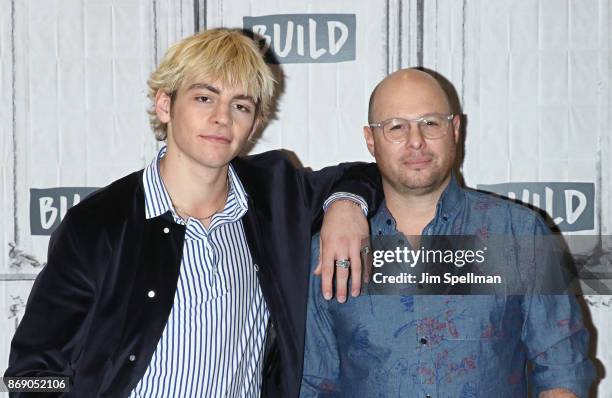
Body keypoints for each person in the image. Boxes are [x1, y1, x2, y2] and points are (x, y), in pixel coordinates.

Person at [5, 28, 381, 397]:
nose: (222, 118)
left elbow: (365, 174)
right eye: (204, 98)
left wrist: (346, 206)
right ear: (165, 105)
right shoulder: (98, 225)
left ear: (254, 124)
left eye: (241, 105)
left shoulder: (273, 197)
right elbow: (29, 375)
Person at [300, 69, 595, 397]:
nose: (416, 141)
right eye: (396, 127)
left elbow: (562, 370)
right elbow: (313, 383)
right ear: (371, 140)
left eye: (430, 123)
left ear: (455, 129)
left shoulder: (517, 235)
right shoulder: (330, 252)